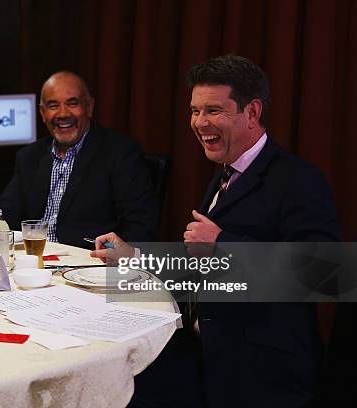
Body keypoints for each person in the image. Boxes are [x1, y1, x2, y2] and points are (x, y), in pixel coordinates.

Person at [92, 55, 341, 407]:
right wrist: (133, 255)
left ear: (252, 113)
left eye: (213, 111)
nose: (199, 122)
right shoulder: (224, 173)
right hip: (202, 356)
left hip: (261, 372)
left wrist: (223, 244)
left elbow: (324, 277)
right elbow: (203, 264)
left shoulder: (299, 180)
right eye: (194, 111)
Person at [0, 71, 157, 248]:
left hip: (88, 265)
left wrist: (114, 257)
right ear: (42, 113)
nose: (63, 114)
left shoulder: (120, 153)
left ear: (89, 107)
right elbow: (9, 207)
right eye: (53, 105)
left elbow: (140, 225)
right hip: (34, 260)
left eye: (72, 103)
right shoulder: (29, 156)